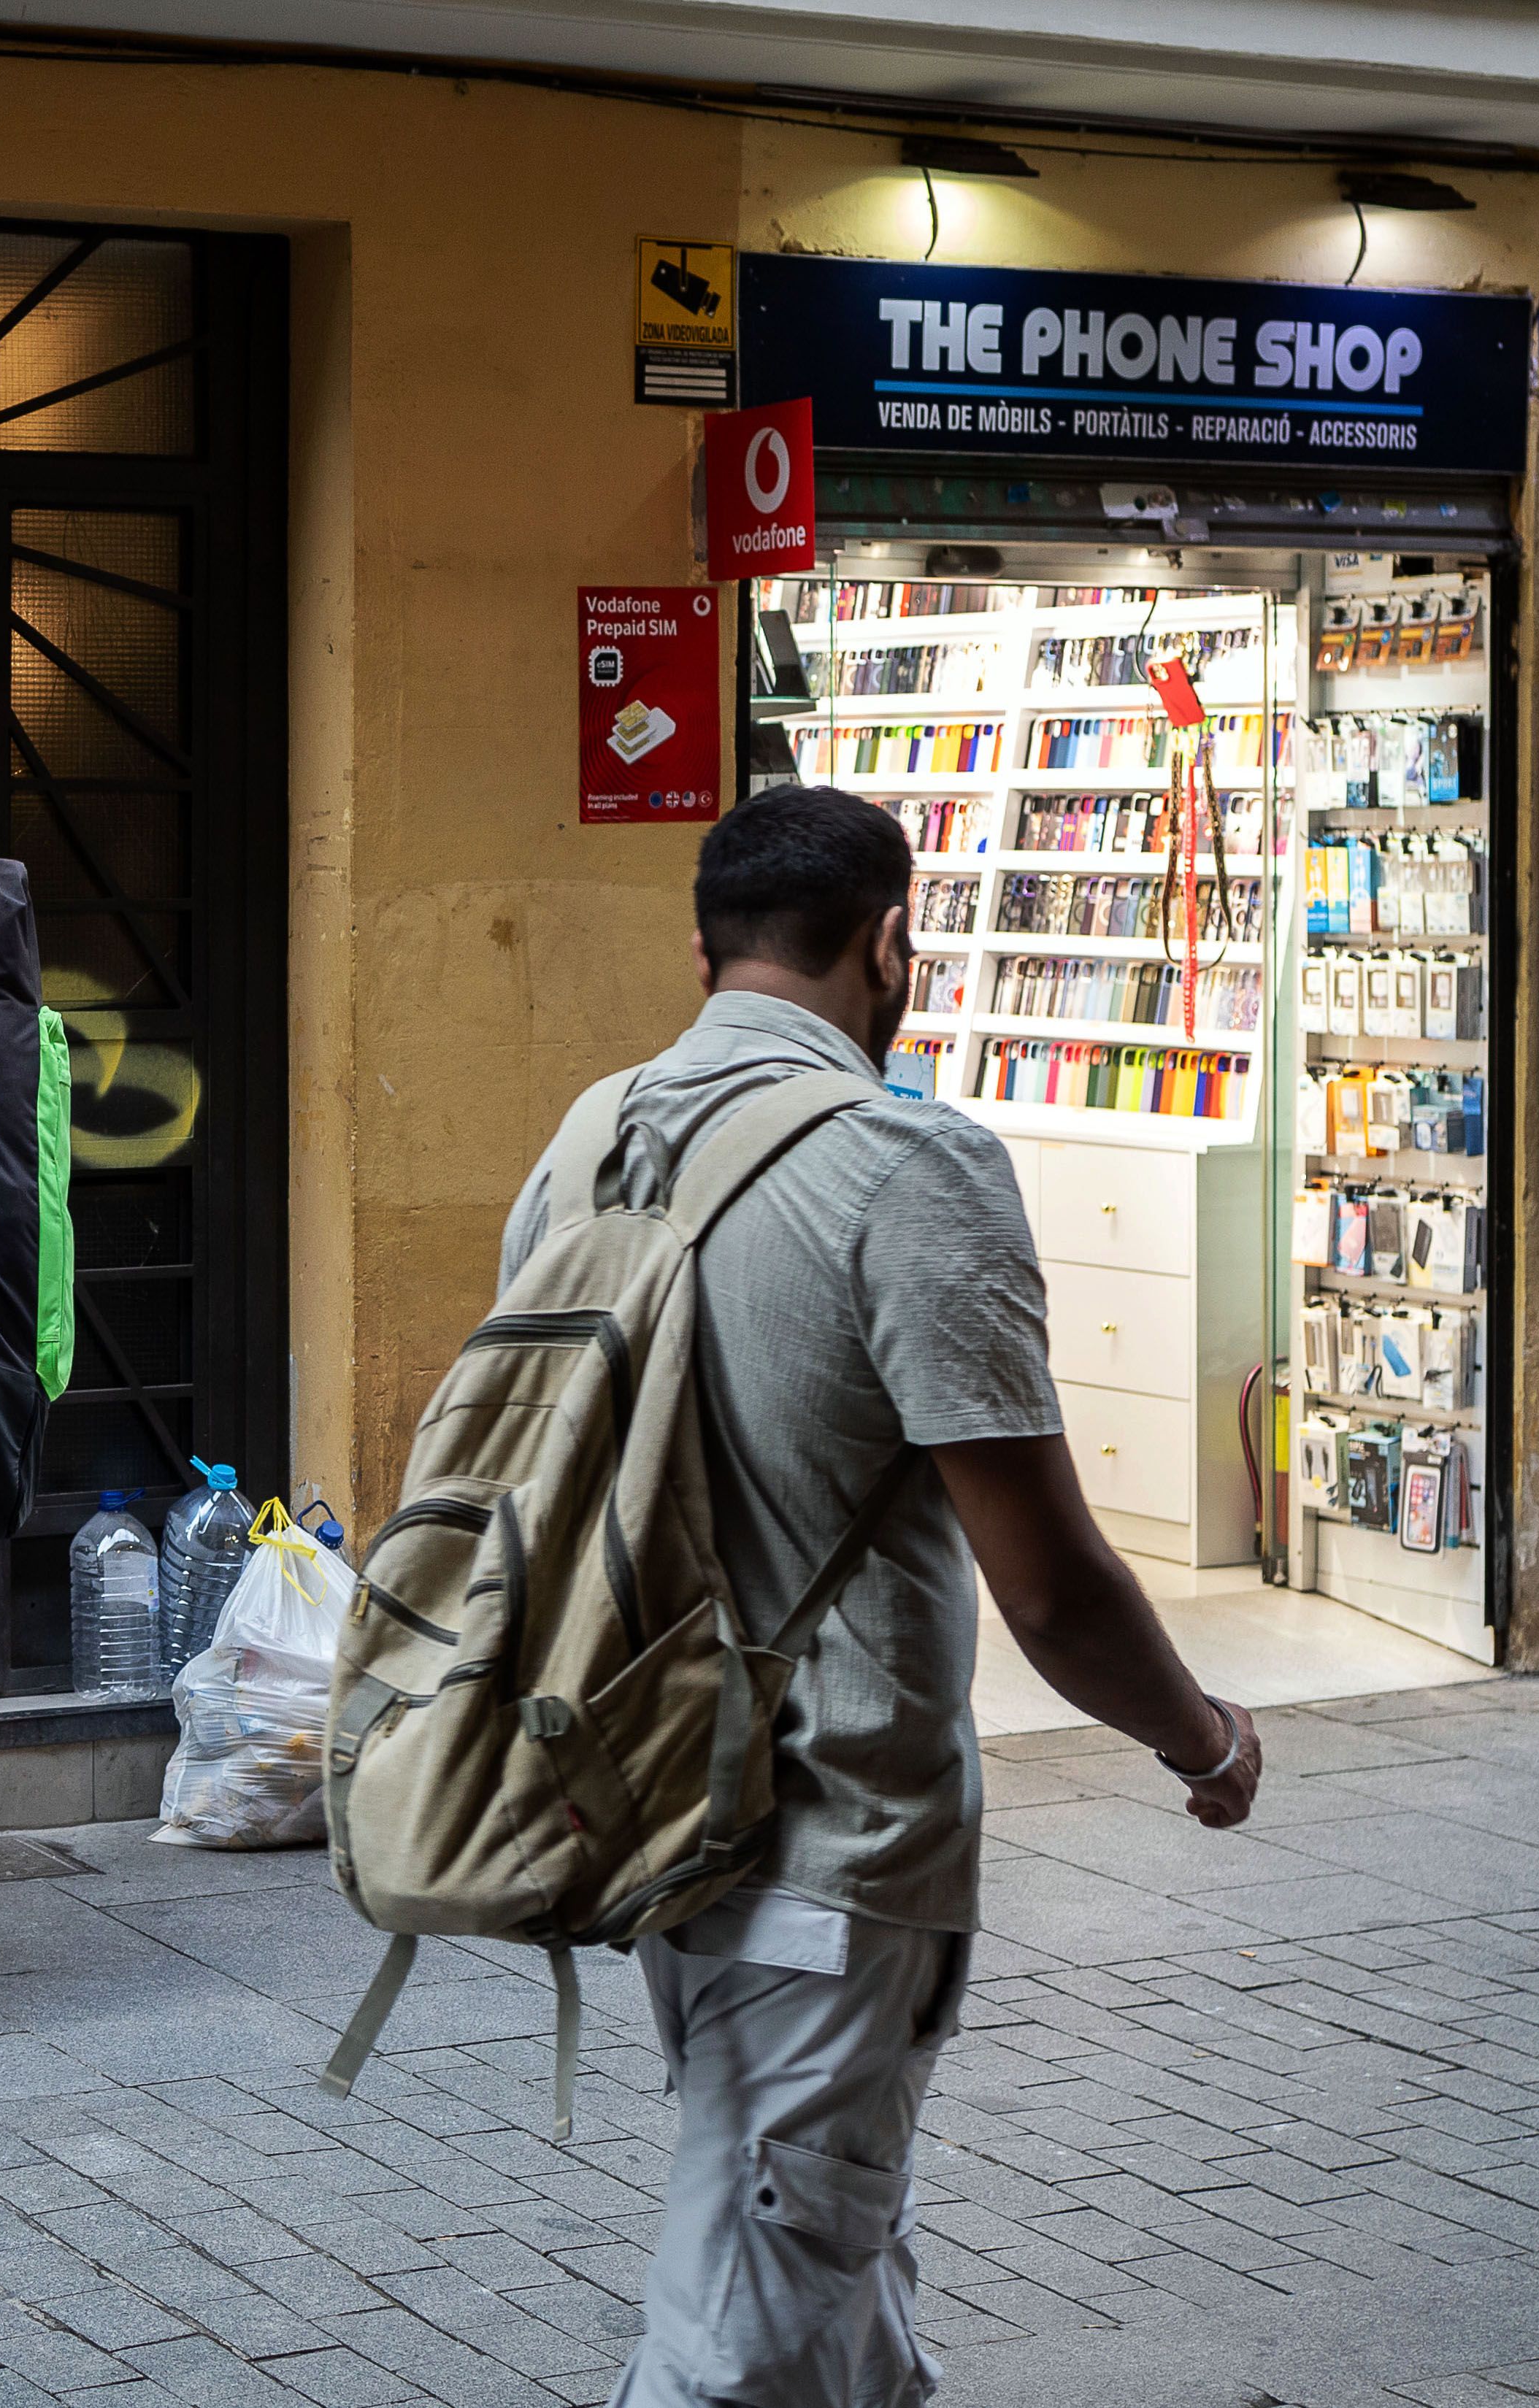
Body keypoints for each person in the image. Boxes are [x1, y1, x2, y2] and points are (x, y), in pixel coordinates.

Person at [492, 786, 1264, 2405]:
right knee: (747, 2324)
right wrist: (1198, 1740)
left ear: (699, 946)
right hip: (829, 1838)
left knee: (828, 2254)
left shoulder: (585, 1137)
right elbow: (1046, 1581)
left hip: (636, 1796)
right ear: (890, 941)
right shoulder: (906, 1164)